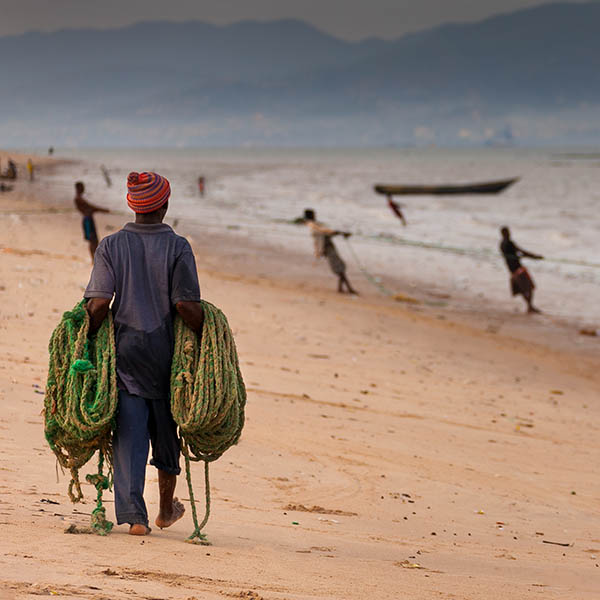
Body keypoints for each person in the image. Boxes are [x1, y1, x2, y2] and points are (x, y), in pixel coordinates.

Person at [84, 171, 205, 536]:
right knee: (167, 432)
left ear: (132, 206)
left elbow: (100, 301)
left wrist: (86, 335)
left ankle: (135, 517)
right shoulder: (179, 246)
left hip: (127, 352)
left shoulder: (111, 246)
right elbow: (185, 304)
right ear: (165, 206)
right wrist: (206, 334)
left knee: (130, 433)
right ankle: (166, 509)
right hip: (167, 356)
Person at [304, 208, 358, 294]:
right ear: (311, 215)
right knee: (339, 268)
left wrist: (340, 233)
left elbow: (326, 232)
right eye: (313, 214)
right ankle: (348, 289)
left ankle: (342, 288)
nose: (315, 216)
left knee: (340, 267)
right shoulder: (312, 225)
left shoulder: (314, 225)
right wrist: (340, 233)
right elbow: (324, 231)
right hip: (327, 248)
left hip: (328, 247)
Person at [499, 226, 544, 313]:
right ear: (505, 233)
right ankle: (530, 306)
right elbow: (521, 251)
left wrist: (519, 256)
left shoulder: (501, 244)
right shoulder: (509, 243)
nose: (509, 234)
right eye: (508, 232)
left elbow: (514, 254)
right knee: (529, 287)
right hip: (518, 269)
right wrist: (535, 257)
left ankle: (530, 306)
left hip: (511, 270)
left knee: (522, 289)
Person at [74, 181, 110, 262]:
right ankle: (93, 259)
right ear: (78, 188)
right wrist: (104, 210)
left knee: (94, 240)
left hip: (88, 218)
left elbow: (91, 208)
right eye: (82, 187)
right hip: (87, 220)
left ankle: (94, 258)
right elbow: (91, 207)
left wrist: (101, 210)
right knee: (92, 240)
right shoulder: (78, 199)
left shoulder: (79, 198)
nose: (83, 189)